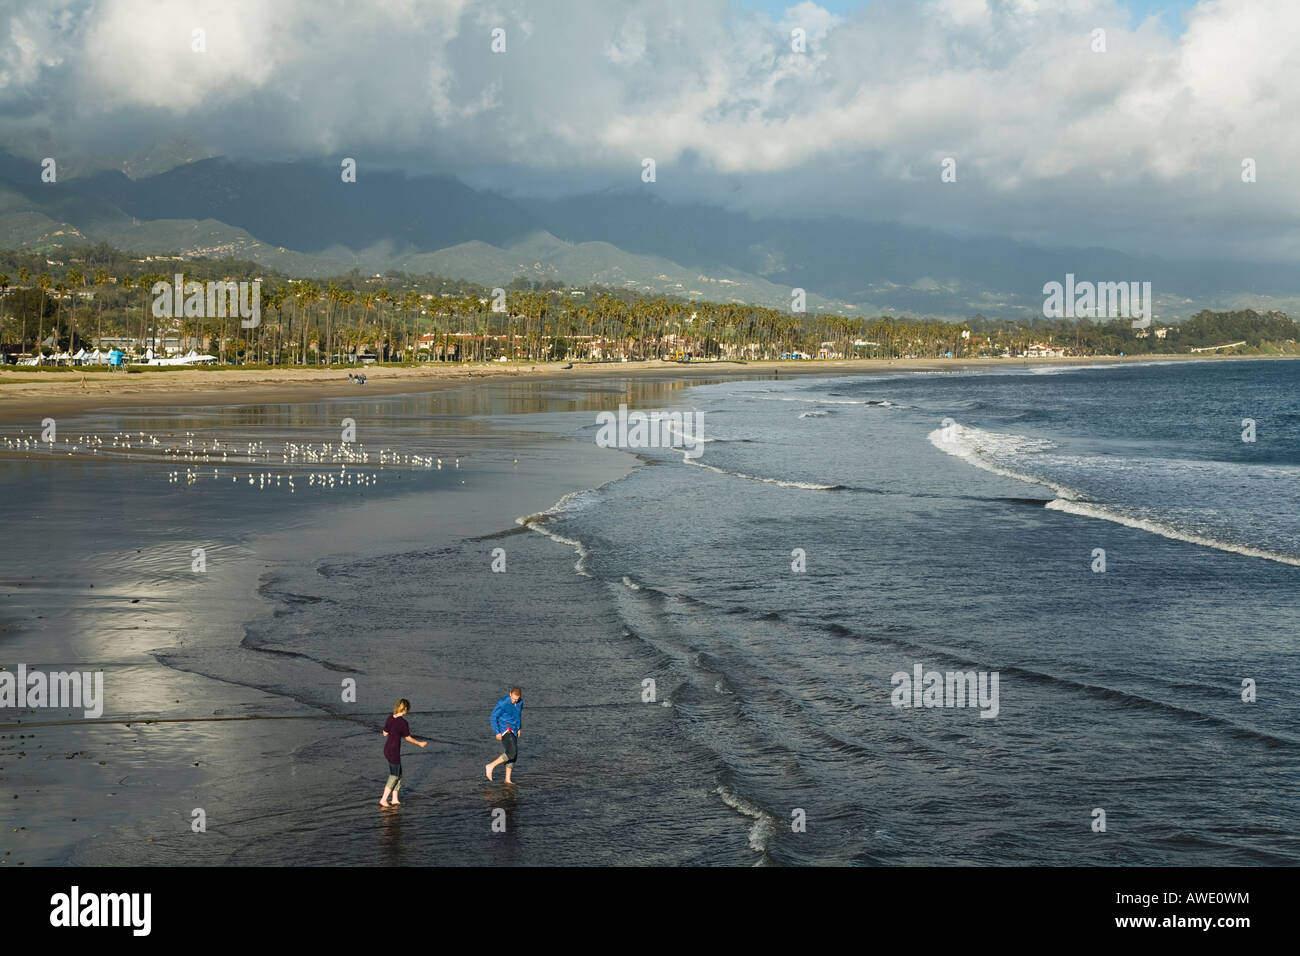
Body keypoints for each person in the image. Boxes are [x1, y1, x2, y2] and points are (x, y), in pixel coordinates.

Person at [380, 698, 427, 807]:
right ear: (405, 709)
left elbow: (384, 733)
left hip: (387, 749)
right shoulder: (403, 722)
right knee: (394, 776)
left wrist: (393, 731)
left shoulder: (390, 718)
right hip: (393, 751)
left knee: (399, 774)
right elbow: (408, 738)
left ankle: (395, 799)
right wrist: (419, 743)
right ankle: (383, 799)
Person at [484, 687, 523, 784]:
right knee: (512, 752)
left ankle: (507, 779)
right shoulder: (503, 702)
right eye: (513, 698)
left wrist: (519, 727)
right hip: (505, 728)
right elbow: (493, 717)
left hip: (514, 729)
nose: (514, 701)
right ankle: (491, 766)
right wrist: (497, 732)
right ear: (510, 694)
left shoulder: (520, 702)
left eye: (516, 699)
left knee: (514, 755)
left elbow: (518, 715)